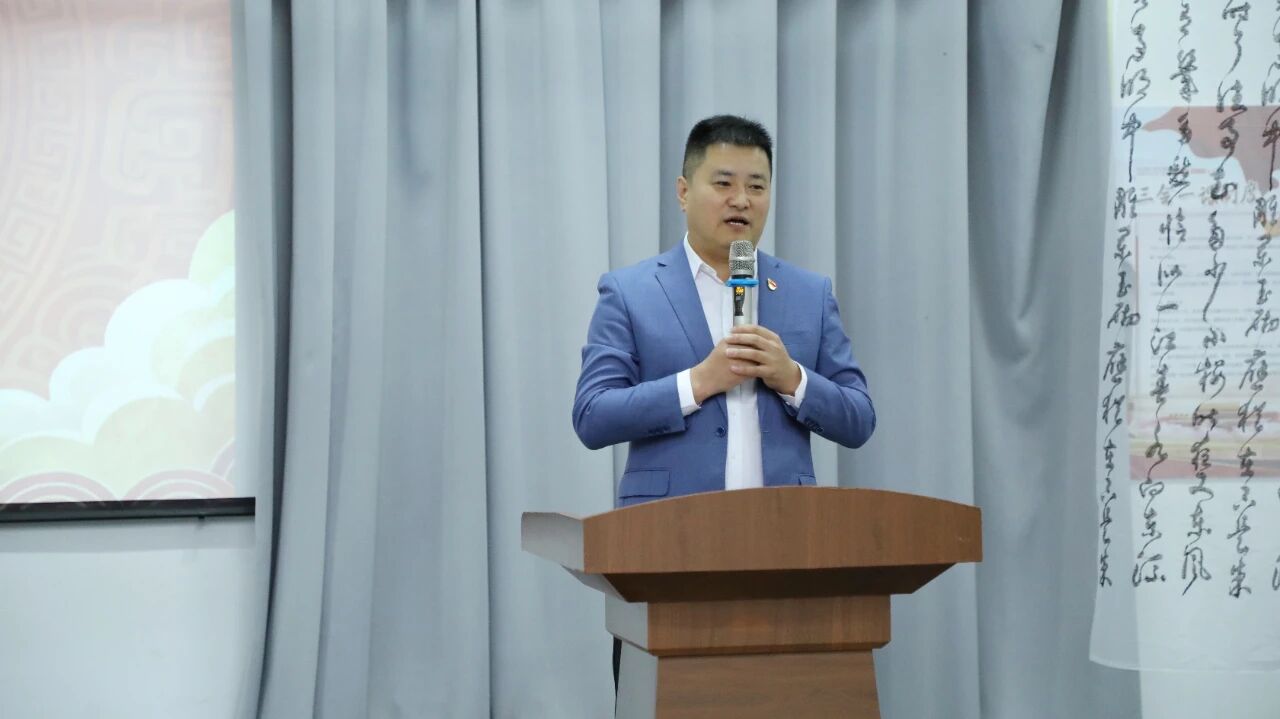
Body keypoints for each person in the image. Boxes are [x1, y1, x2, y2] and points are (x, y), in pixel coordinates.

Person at [570, 114, 876, 694]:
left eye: (757, 186)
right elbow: (592, 414)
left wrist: (792, 378)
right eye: (724, 183)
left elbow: (859, 418)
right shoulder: (630, 290)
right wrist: (697, 383)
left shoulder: (808, 293)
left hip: (786, 550)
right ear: (684, 191)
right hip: (665, 552)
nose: (742, 200)